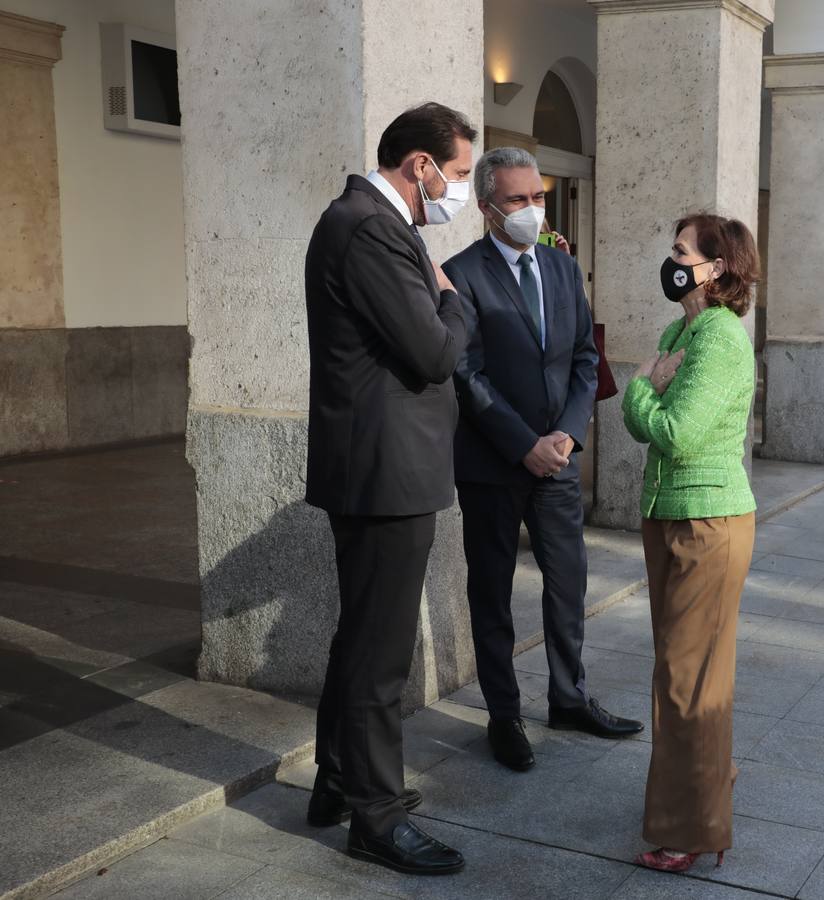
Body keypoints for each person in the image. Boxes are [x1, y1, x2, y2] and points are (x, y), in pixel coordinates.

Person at [303, 102, 475, 875]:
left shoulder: (370, 222)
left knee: (362, 636)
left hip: (381, 465)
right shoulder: (370, 226)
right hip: (385, 469)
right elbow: (434, 353)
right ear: (420, 165)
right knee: (380, 653)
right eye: (460, 174)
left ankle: (338, 780)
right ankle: (376, 816)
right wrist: (452, 295)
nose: (458, 191)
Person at [443, 148, 642, 774]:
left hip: (556, 461)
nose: (532, 210)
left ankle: (568, 696)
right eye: (518, 201)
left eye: (539, 198)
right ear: (486, 208)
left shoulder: (562, 268)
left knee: (567, 583)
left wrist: (564, 436)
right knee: (492, 593)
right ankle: (503, 714)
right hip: (493, 465)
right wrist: (520, 443)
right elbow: (464, 370)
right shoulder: (460, 274)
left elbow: (585, 357)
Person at [622, 213, 759, 873]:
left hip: (708, 523)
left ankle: (696, 827)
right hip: (670, 515)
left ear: (717, 267)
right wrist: (645, 393)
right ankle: (710, 775)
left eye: (681, 251)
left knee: (687, 680)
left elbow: (674, 432)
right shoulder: (680, 329)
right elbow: (641, 416)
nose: (670, 259)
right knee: (683, 671)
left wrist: (643, 390)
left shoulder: (720, 339)